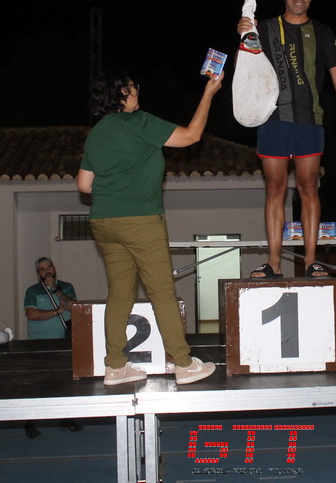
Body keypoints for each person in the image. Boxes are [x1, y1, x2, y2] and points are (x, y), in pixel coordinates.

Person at [76, 71, 222, 386]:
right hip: (140, 220)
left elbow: (84, 185)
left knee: (119, 292)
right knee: (162, 292)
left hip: (104, 222)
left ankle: (115, 367)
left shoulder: (96, 133)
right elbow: (191, 136)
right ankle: (184, 364)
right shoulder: (139, 122)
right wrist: (208, 93)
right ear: (122, 92)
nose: (137, 91)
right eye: (133, 87)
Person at [236, 0, 336, 280]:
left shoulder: (322, 32)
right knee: (275, 189)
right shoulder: (265, 28)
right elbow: (248, 65)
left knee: (308, 188)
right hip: (273, 121)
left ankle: (311, 261)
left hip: (310, 121)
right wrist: (244, 32)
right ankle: (273, 263)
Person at [22, 256, 81, 436]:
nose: (47, 270)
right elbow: (32, 314)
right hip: (39, 343)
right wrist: (56, 311)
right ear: (38, 274)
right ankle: (29, 422)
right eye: (42, 269)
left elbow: (74, 307)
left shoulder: (66, 287)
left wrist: (55, 289)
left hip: (63, 341)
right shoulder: (32, 291)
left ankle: (65, 419)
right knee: (37, 384)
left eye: (49, 267)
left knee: (64, 382)